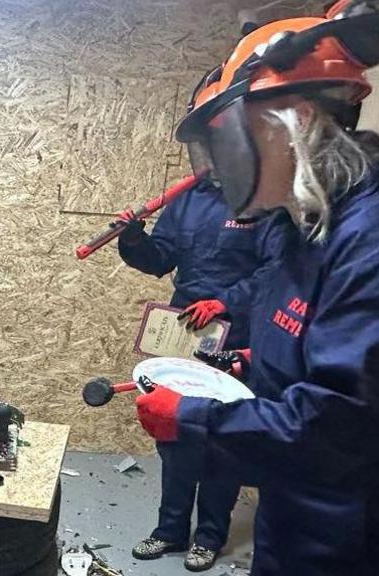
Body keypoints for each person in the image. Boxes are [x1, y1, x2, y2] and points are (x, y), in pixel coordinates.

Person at [133, 2, 379, 575]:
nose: (221, 161)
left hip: (356, 535)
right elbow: (312, 354)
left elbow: (341, 422)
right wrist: (248, 364)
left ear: (299, 120)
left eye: (231, 136)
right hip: (298, 510)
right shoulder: (307, 229)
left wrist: (193, 419)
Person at [116, 82, 285, 572]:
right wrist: (134, 238)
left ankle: (208, 535)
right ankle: (169, 530)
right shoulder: (188, 201)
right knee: (173, 431)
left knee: (219, 438)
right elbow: (159, 258)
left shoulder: (263, 203)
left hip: (235, 336)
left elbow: (275, 273)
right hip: (184, 330)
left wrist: (225, 301)